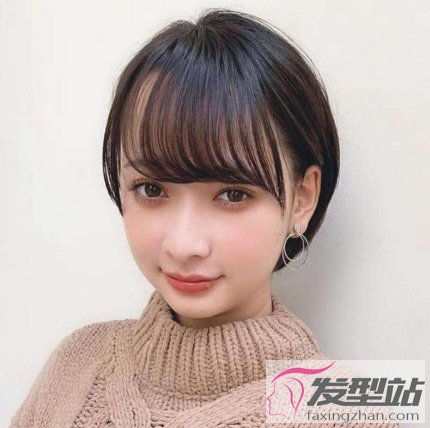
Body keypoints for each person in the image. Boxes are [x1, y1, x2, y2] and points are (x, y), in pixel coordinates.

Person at [10, 8, 399, 428]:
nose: (183, 245)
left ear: (302, 198)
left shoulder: (349, 413)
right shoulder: (77, 364)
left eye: (233, 194)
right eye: (151, 189)